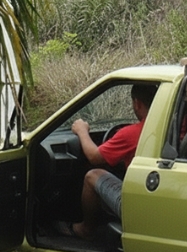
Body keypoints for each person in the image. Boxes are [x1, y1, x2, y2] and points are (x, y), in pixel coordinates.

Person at [58, 83, 157, 240]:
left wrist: (82, 131)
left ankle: (86, 229)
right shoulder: (181, 126)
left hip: (139, 205)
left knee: (92, 176)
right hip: (161, 202)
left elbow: (94, 157)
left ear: (137, 103)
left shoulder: (132, 133)